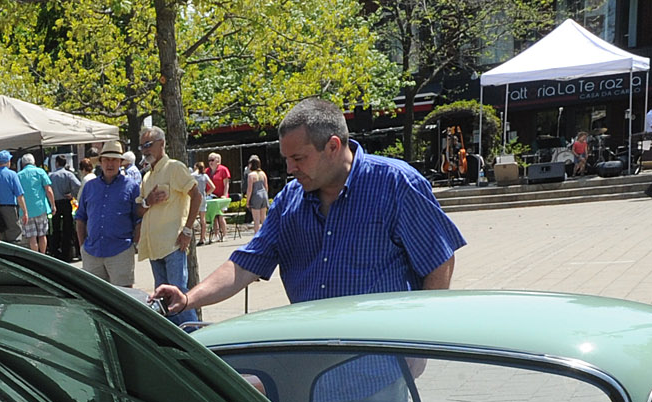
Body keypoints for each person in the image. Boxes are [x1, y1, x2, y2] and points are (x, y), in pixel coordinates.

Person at [153, 97, 465, 319]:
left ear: (332, 146)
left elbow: (439, 261)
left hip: (380, 367)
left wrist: (419, 345)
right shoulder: (290, 200)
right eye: (286, 159)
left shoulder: (396, 184)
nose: (289, 169)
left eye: (298, 158)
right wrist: (188, 298)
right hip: (313, 361)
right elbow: (244, 266)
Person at [136, 124, 203, 326]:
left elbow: (197, 195)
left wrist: (188, 230)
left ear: (162, 144)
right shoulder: (147, 176)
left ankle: (196, 336)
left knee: (177, 294)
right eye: (141, 147)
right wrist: (149, 201)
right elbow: (139, 209)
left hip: (173, 244)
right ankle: (177, 338)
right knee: (165, 299)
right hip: (154, 247)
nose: (145, 150)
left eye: (148, 144)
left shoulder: (174, 167)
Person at [75, 139, 141, 288]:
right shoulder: (89, 187)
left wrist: (134, 245)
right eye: (106, 160)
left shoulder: (131, 187)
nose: (110, 164)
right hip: (92, 252)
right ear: (101, 162)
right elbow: (80, 219)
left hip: (121, 251)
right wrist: (82, 247)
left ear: (120, 163)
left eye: (114, 160)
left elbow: (139, 219)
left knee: (124, 297)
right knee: (94, 298)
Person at [16, 150, 53, 253]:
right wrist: (53, 205)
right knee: (42, 235)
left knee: (32, 237)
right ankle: (43, 255)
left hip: (26, 211)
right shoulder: (40, 172)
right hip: (41, 207)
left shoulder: (18, 176)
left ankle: (37, 257)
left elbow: (17, 194)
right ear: (34, 162)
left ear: (23, 164)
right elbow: (48, 190)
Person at [47, 154, 82, 262]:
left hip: (55, 203)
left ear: (56, 163)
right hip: (66, 202)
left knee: (56, 228)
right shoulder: (68, 174)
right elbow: (78, 185)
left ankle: (55, 251)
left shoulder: (51, 175)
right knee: (68, 228)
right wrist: (72, 194)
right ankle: (67, 253)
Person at [0, 150, 24, 242]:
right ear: (8, 161)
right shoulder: (12, 174)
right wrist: (25, 211)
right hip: (9, 209)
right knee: (14, 235)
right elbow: (19, 196)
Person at [202, 153, 232, 243]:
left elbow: (226, 184)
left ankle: (225, 235)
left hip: (221, 197)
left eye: (212, 160)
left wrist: (225, 194)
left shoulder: (223, 170)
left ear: (217, 161)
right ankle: (216, 235)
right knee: (214, 216)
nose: (210, 162)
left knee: (220, 215)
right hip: (211, 197)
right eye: (209, 160)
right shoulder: (207, 171)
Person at [245, 155, 271, 229]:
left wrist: (248, 201)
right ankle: (266, 236)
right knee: (263, 218)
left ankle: (257, 236)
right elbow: (266, 187)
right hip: (264, 195)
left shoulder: (251, 175)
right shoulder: (263, 173)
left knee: (256, 219)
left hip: (256, 196)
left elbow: (249, 189)